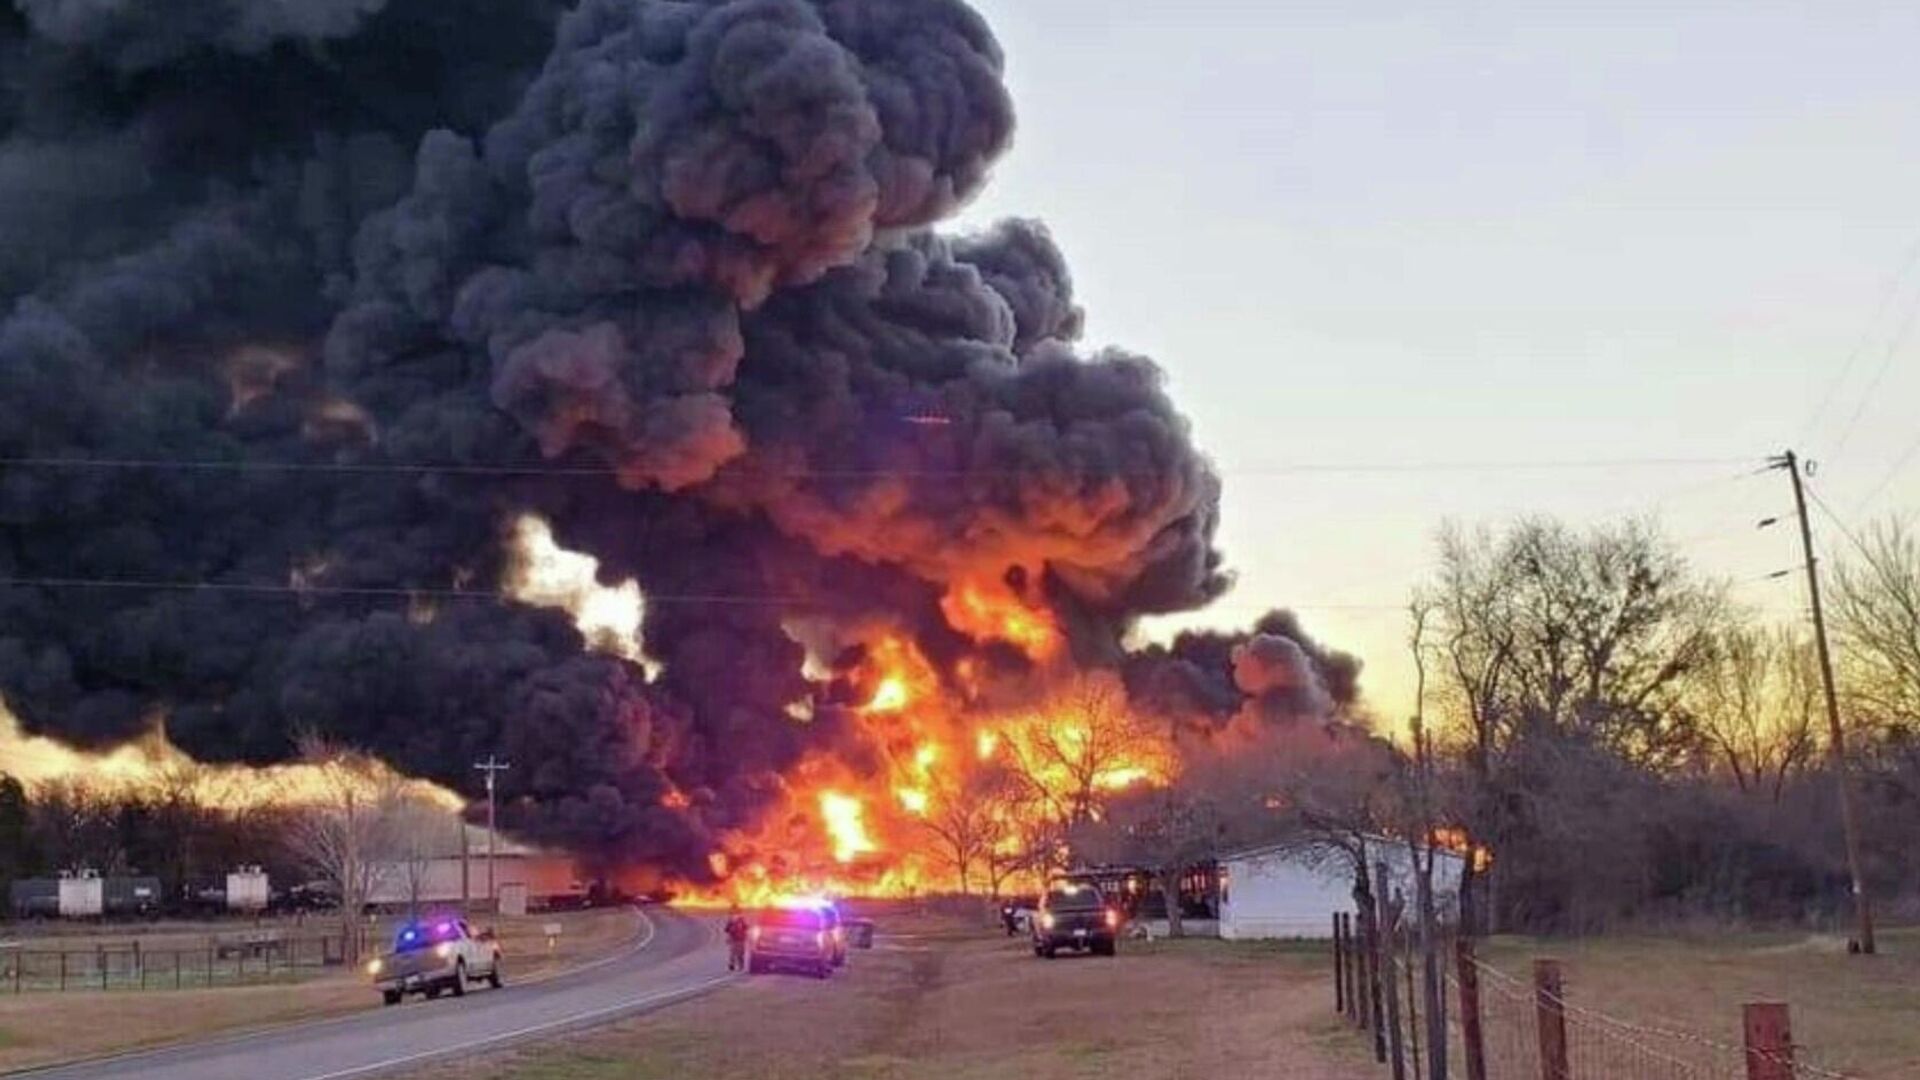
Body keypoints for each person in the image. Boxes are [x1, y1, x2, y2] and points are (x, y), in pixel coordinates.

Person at [724, 904, 750, 972]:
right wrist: (728, 937)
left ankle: (741, 965)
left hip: (741, 939)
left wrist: (746, 936)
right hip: (734, 939)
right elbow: (727, 930)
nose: (735, 914)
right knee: (733, 953)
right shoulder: (731, 921)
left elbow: (746, 928)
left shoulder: (741, 920)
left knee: (740, 953)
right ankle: (732, 965)